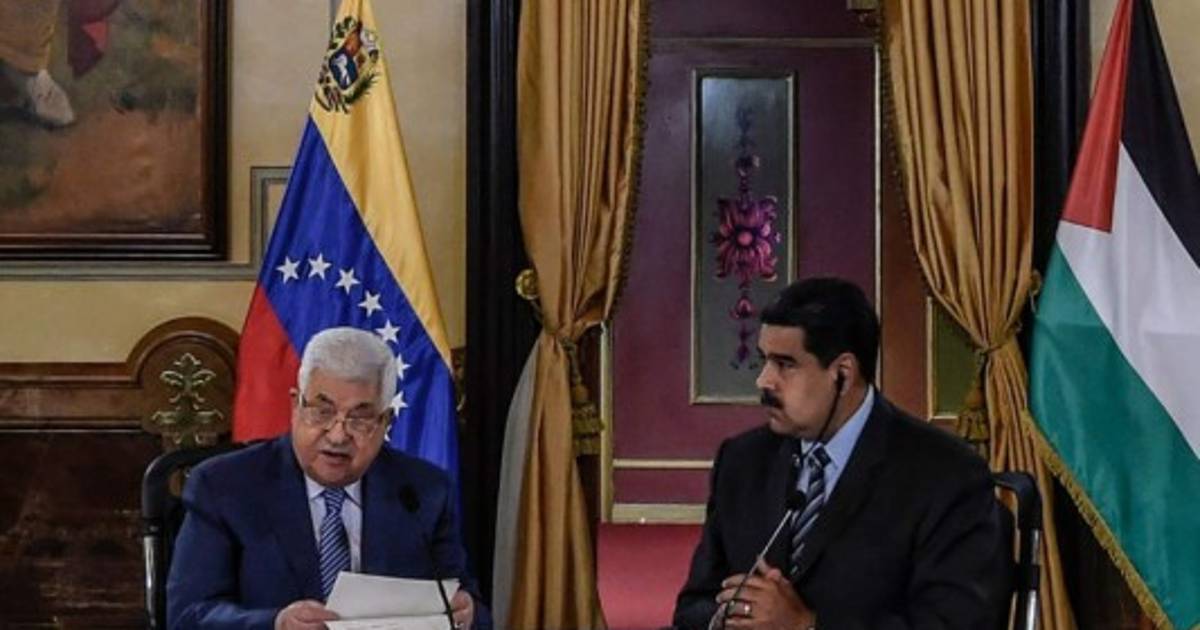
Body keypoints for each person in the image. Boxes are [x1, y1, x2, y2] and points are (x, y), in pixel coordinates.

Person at [673, 277, 1010, 629]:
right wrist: (729, 616)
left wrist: (807, 625)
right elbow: (693, 606)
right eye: (764, 361)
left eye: (785, 364)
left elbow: (955, 623)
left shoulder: (946, 475)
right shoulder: (742, 462)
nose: (764, 381)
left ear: (843, 375)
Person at [168, 327, 487, 630]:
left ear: (385, 421)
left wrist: (467, 613)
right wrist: (276, 623)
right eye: (322, 411)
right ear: (295, 405)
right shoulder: (224, 487)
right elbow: (187, 616)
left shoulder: (423, 491)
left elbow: (473, 609)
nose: (337, 435)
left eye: (359, 418)